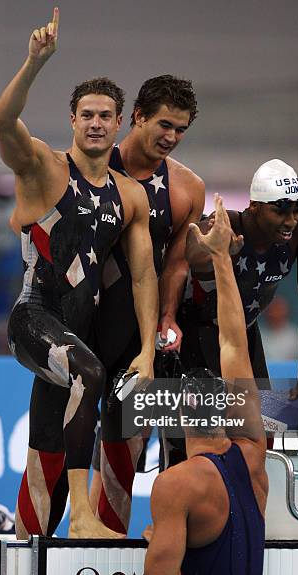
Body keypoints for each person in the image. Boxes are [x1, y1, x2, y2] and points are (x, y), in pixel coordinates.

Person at [0, 8, 158, 538]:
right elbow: (1, 121)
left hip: (74, 335)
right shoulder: (44, 166)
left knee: (46, 446)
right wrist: (34, 62)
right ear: (72, 120)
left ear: (118, 123)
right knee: (90, 373)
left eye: (104, 115)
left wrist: (149, 351)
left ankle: (21, 561)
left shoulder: (128, 195)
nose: (94, 123)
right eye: (85, 114)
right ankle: (84, 517)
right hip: (32, 319)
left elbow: (142, 278)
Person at [89, 75, 205, 534]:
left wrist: (168, 317)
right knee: (62, 446)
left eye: (181, 129)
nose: (171, 138)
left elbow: (174, 265)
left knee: (127, 444)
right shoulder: (89, 165)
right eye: (164, 124)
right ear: (136, 116)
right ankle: (43, 548)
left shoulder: (185, 188)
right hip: (83, 322)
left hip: (137, 330)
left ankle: (109, 542)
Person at [143, 194, 268, 575]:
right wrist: (221, 259)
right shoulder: (252, 456)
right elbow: (234, 344)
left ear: (181, 414)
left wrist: (161, 535)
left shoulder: (175, 486)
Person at [182, 158, 298, 406]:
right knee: (198, 437)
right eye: (279, 211)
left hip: (243, 334)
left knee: (264, 431)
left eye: (296, 210)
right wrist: (218, 249)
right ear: (254, 206)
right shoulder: (227, 224)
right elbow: (190, 253)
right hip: (191, 333)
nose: (290, 221)